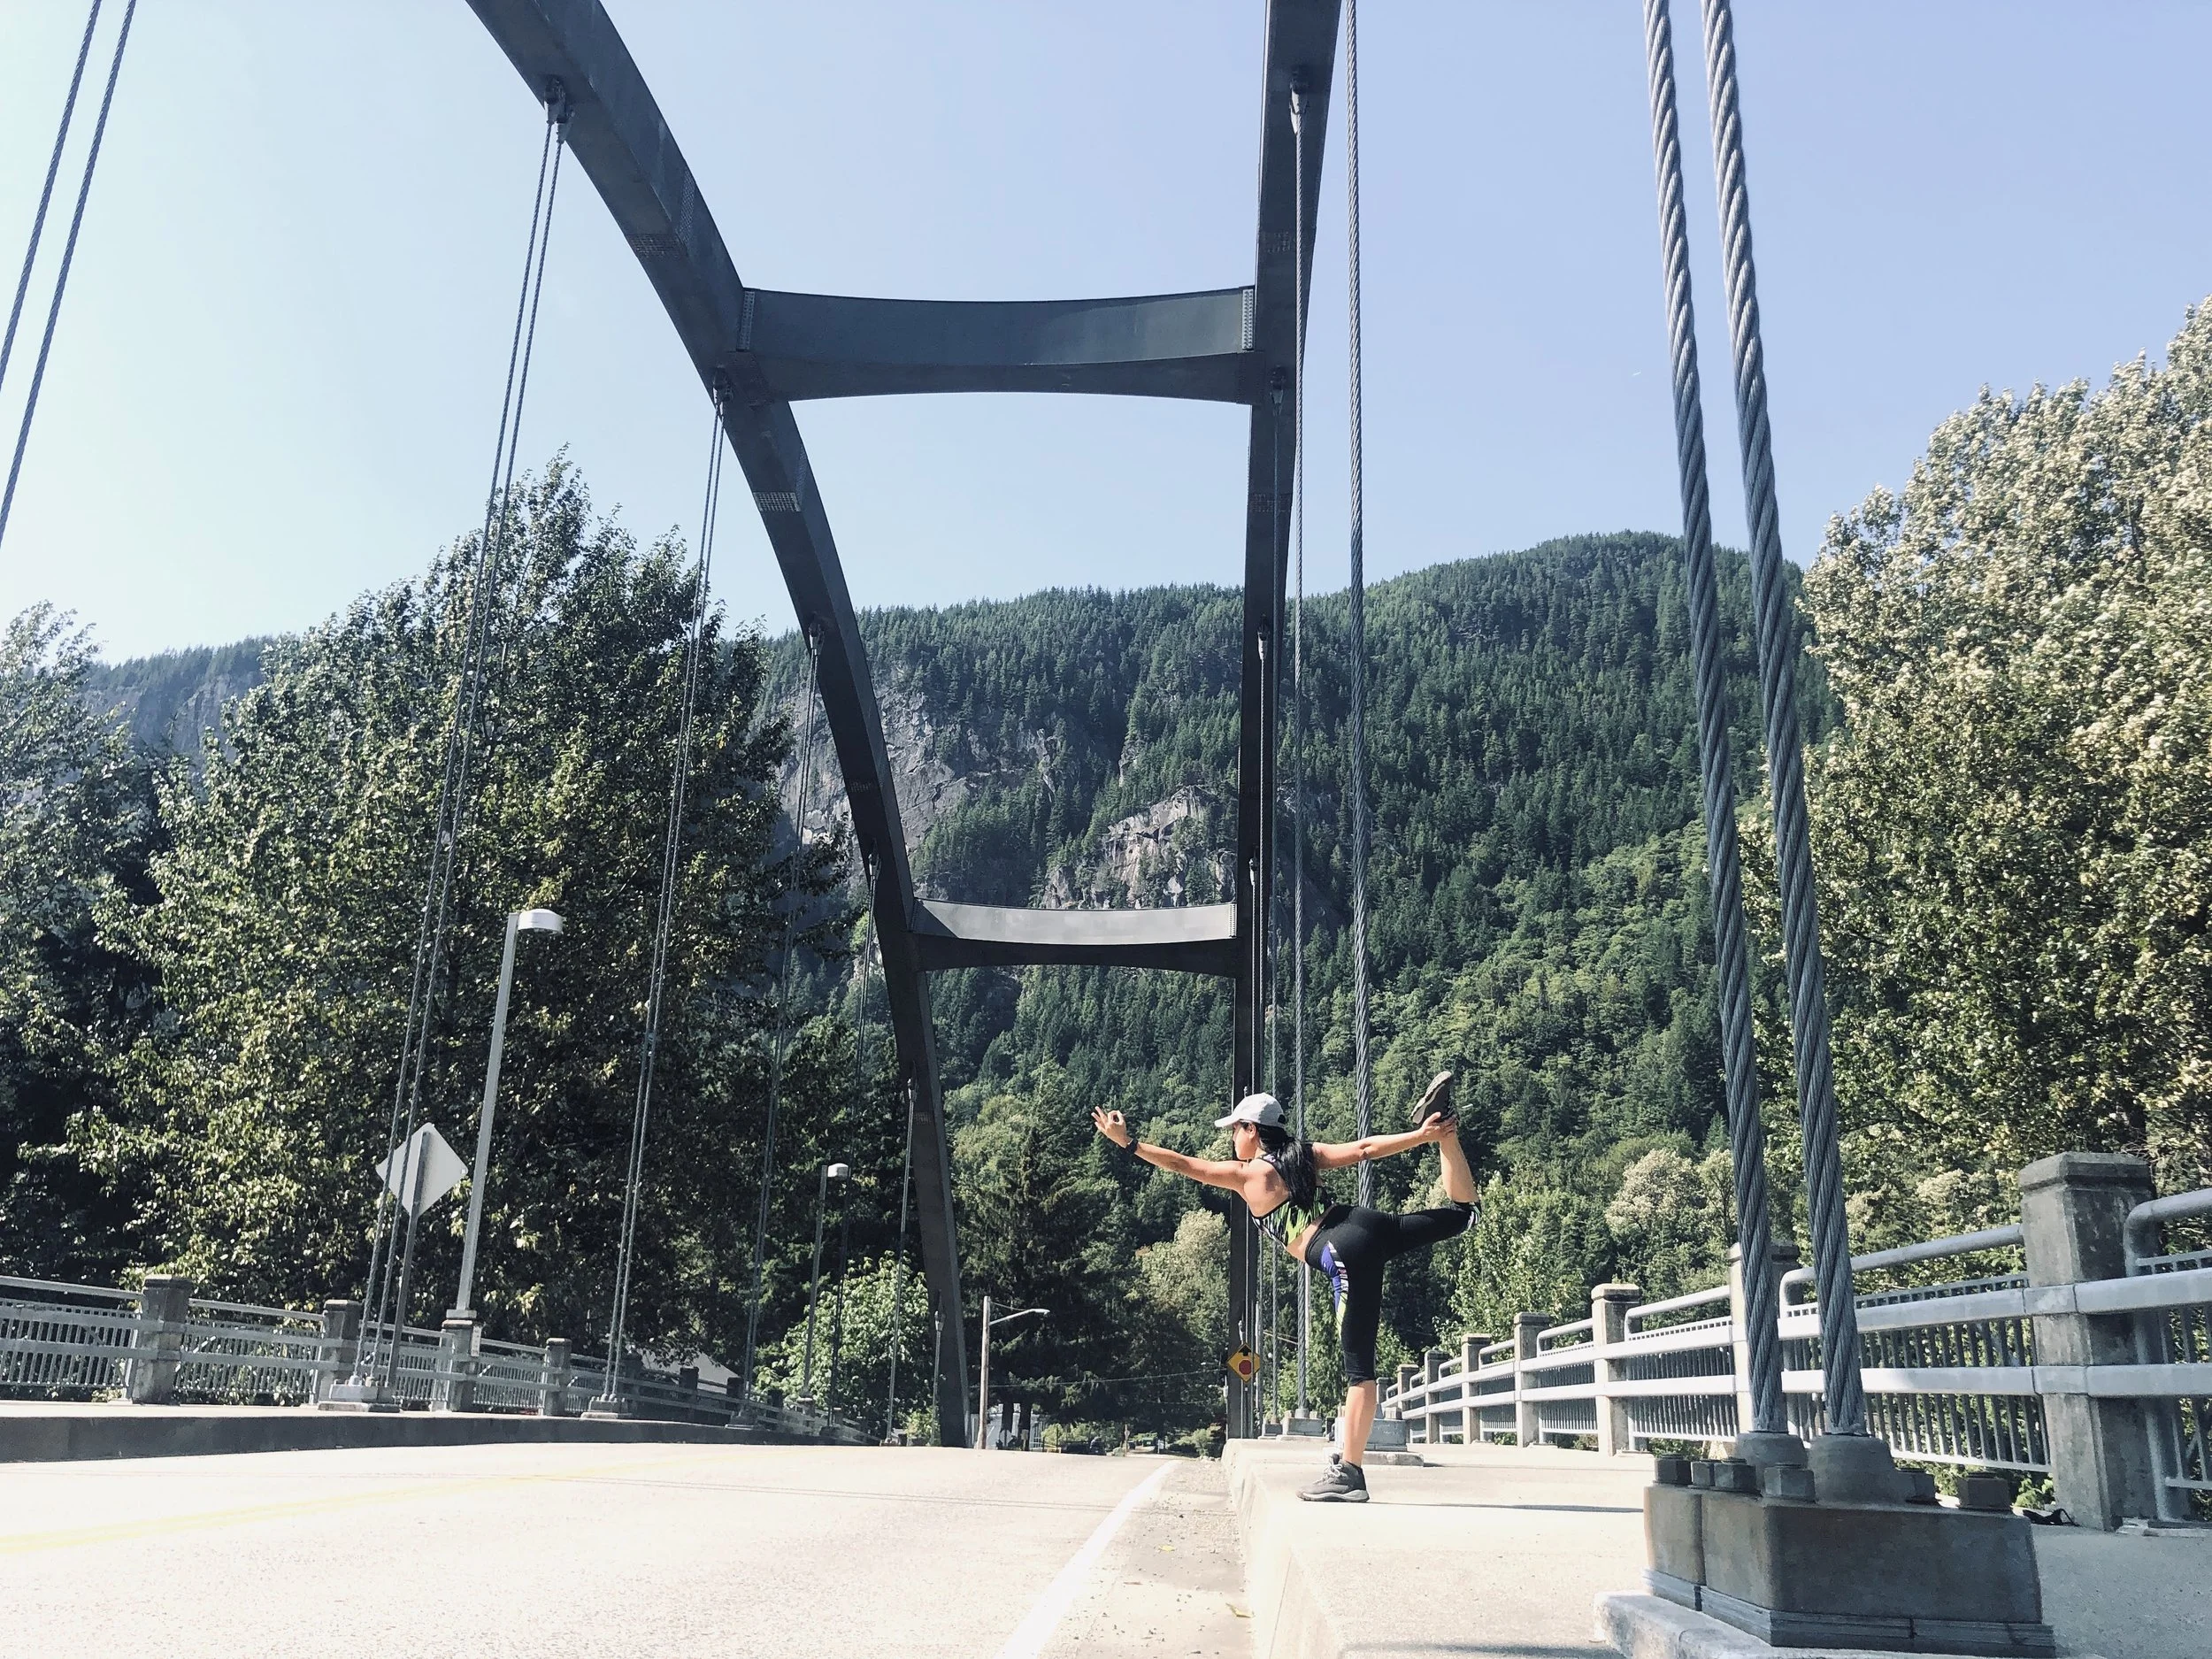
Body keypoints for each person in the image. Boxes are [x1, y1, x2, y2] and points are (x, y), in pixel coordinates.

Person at [1091, 1070, 1475, 1503]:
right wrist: (1423, 1136)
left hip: (1343, 1252)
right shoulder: (1305, 1155)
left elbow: (1183, 1164)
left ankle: (1349, 1474)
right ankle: (1446, 1131)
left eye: (1235, 1129)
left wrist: (1128, 1143)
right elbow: (1365, 1149)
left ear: (1252, 1130)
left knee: (1359, 1373)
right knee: (1464, 1214)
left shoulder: (1246, 1175)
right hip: (1366, 1224)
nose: (1232, 1138)